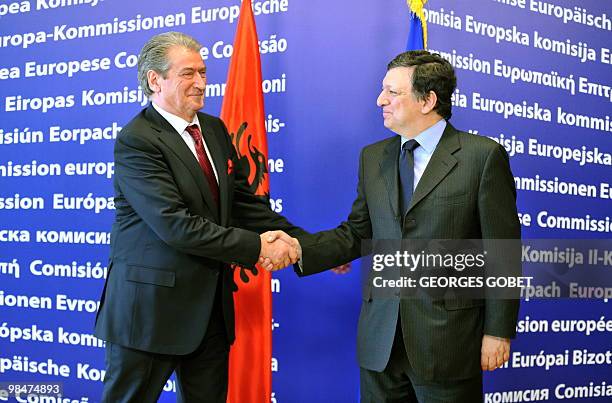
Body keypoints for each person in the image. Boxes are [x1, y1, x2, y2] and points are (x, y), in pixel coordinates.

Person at [272, 50, 521, 402]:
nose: (380, 100)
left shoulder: (482, 157)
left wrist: (498, 332)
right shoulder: (373, 157)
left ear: (428, 100)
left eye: (392, 92)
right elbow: (358, 231)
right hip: (380, 343)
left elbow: (501, 253)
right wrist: (300, 248)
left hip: (447, 343)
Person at [94, 32, 302, 402]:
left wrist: (302, 242)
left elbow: (241, 203)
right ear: (155, 80)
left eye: (203, 72)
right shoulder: (137, 140)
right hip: (149, 316)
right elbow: (175, 225)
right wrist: (258, 247)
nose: (202, 83)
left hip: (209, 315)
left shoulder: (215, 129)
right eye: (189, 73)